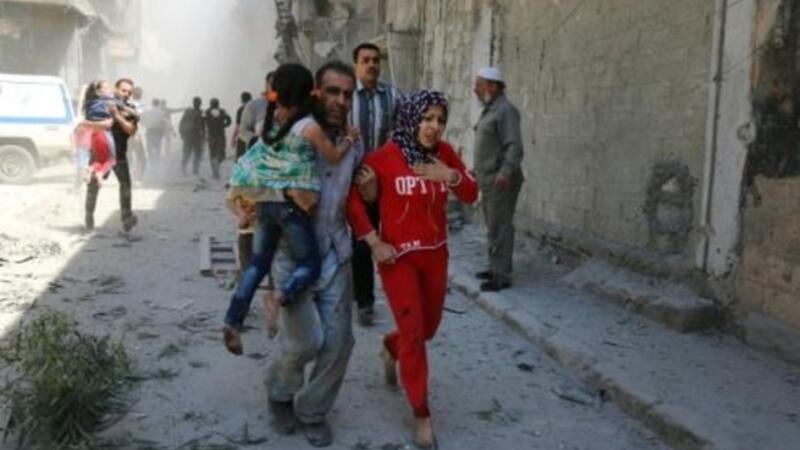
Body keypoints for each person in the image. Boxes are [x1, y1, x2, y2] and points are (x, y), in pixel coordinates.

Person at [348, 90, 478, 448]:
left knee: (427, 329)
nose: (433, 126)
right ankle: (421, 413)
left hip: (436, 256)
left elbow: (471, 193)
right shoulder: (383, 158)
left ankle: (391, 347)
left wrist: (449, 175)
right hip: (398, 260)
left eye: (440, 120)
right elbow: (353, 202)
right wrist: (374, 242)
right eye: (427, 118)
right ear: (411, 118)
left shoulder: (445, 154)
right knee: (415, 333)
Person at [223, 63, 358, 357]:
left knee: (257, 265)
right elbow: (334, 156)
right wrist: (350, 138)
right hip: (291, 209)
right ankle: (280, 297)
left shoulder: (270, 125)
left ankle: (233, 319)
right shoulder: (309, 127)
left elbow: (256, 163)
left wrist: (243, 205)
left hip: (267, 206)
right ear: (311, 92)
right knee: (309, 264)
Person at [265, 61, 362, 448]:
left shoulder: (353, 144)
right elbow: (251, 189)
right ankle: (280, 393)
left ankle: (313, 411)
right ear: (315, 93)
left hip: (335, 252)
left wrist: (371, 191)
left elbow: (359, 195)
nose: (341, 101)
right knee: (304, 342)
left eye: (347, 94)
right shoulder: (290, 137)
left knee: (339, 342)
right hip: (293, 256)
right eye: (333, 92)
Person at [348, 42, 403, 327]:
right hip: (353, 181)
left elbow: (405, 133)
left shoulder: (393, 97)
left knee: (388, 239)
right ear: (356, 65)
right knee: (359, 241)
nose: (372, 64)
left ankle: (390, 298)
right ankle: (362, 299)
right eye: (365, 60)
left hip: (385, 183)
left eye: (375, 60)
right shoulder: (347, 97)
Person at [472, 67, 524, 292]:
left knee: (500, 226)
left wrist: (506, 171)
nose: (475, 89)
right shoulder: (490, 110)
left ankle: (502, 275)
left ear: (492, 86)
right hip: (488, 179)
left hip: (501, 180)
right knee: (492, 225)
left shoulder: (505, 110)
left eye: (479, 84)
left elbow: (514, 145)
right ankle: (495, 267)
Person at [85, 78, 139, 232]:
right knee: (93, 186)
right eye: (123, 90)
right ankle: (89, 217)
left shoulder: (130, 110)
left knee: (125, 185)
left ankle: (126, 218)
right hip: (101, 154)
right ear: (116, 89)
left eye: (129, 92)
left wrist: (117, 116)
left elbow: (131, 130)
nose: (126, 94)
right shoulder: (103, 104)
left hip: (119, 155)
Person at [74, 80, 117, 184]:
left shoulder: (88, 104)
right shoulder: (106, 102)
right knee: (111, 160)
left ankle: (90, 169)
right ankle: (100, 173)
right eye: (106, 88)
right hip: (104, 135)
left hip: (94, 136)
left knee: (99, 160)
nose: (109, 90)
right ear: (98, 91)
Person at [238, 71, 274, 150]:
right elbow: (242, 131)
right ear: (266, 85)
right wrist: (256, 139)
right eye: (272, 83)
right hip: (260, 153)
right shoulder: (253, 105)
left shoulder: (291, 107)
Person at [204, 98, 232, 180]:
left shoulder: (207, 112)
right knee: (220, 154)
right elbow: (229, 121)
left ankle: (215, 171)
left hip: (212, 136)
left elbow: (202, 121)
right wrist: (224, 125)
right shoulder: (222, 111)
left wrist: (207, 127)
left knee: (214, 154)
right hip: (219, 135)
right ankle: (216, 171)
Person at [179, 96, 206, 176]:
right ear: (200, 103)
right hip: (196, 136)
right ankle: (194, 170)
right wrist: (204, 136)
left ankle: (185, 168)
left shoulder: (188, 112)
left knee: (188, 153)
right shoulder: (201, 112)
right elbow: (203, 125)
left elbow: (182, 123)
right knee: (196, 154)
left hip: (189, 136)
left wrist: (182, 133)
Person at [140, 98, 167, 166]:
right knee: (158, 148)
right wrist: (164, 132)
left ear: (152, 103)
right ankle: (157, 163)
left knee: (149, 148)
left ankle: (152, 163)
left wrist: (146, 124)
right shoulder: (162, 112)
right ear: (158, 104)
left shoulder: (146, 112)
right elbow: (163, 123)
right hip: (158, 132)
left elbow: (141, 122)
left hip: (149, 131)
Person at [232, 91, 253, 159]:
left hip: (243, 136)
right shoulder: (256, 108)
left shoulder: (241, 110)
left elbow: (238, 126)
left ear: (242, 100)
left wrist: (233, 138)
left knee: (240, 158)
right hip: (254, 136)